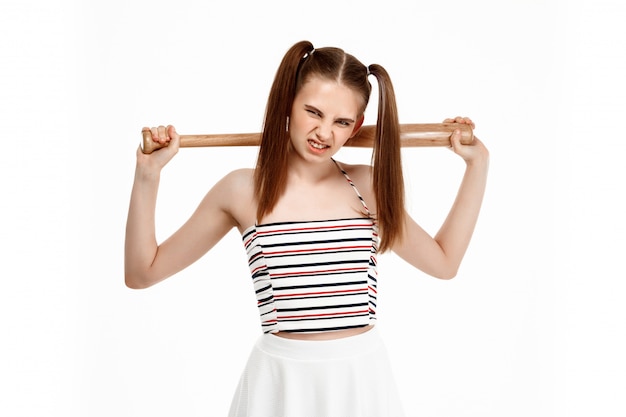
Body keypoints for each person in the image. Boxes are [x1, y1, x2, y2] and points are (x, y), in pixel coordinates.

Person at [125, 40, 489, 416]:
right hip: (280, 386)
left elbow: (444, 263)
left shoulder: (367, 187)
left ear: (357, 126)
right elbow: (142, 272)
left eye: (342, 122)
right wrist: (148, 176)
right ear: (288, 104)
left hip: (359, 383)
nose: (324, 133)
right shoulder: (241, 191)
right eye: (312, 112)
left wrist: (477, 166)